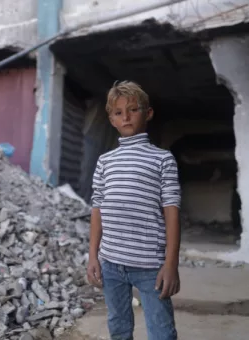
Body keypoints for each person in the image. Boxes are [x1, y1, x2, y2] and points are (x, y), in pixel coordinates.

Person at [87, 81, 181, 340]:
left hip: (151, 265)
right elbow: (98, 208)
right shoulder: (105, 161)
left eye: (133, 109)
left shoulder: (162, 159)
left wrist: (171, 263)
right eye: (118, 112)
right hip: (112, 263)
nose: (126, 116)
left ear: (148, 113)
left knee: (162, 332)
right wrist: (93, 255)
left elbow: (171, 211)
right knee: (118, 328)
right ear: (111, 119)